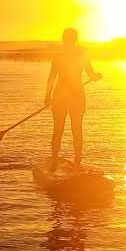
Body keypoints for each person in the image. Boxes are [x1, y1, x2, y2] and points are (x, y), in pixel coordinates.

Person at [44, 28, 101, 165]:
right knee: (69, 129)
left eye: (66, 38)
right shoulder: (75, 57)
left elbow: (52, 77)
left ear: (72, 40)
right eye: (65, 38)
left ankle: (68, 161)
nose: (65, 41)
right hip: (68, 95)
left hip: (68, 95)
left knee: (65, 129)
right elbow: (91, 76)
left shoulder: (61, 57)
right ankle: (67, 161)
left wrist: (48, 96)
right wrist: (97, 77)